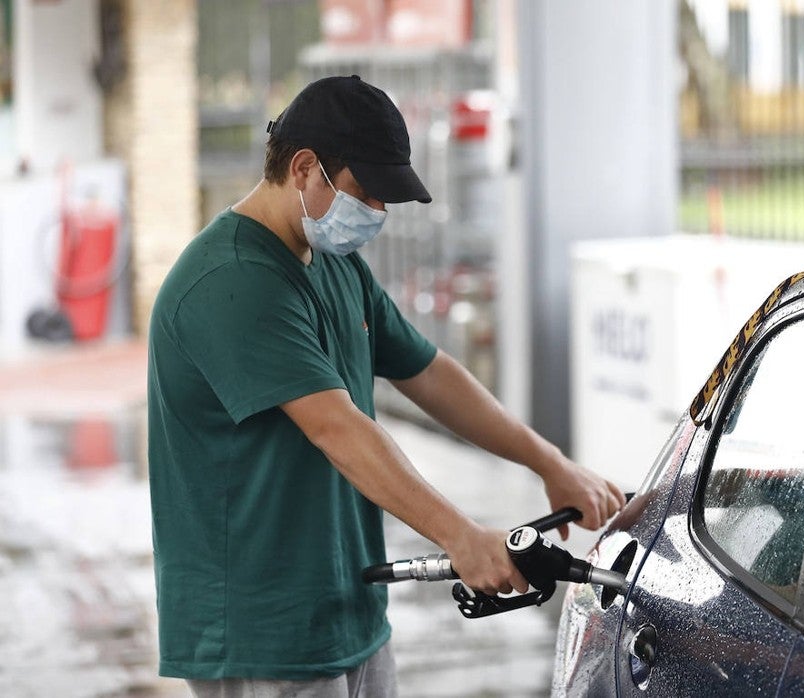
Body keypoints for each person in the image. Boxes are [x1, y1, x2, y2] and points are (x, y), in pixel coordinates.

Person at [146, 75, 626, 697]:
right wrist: (459, 536)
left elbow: (428, 372)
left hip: (347, 606)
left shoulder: (335, 264)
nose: (375, 214)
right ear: (304, 169)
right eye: (365, 193)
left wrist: (549, 462)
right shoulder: (234, 280)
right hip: (262, 630)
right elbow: (337, 427)